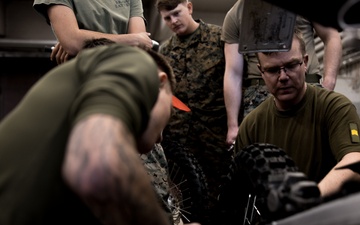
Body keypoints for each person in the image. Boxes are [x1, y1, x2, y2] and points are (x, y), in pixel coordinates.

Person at [0, 44, 185, 225]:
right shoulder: (133, 61)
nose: (161, 137)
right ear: (160, 83)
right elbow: (98, 170)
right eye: (169, 110)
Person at [235, 28, 360, 199]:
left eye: (291, 65)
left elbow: (354, 161)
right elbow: (239, 188)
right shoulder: (251, 125)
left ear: (305, 62)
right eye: (272, 70)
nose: (283, 76)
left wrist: (310, 196)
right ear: (261, 72)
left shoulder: (335, 107)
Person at [222, 0, 343, 146]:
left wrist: (328, 84)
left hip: (305, 86)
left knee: (315, 150)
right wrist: (233, 125)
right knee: (262, 158)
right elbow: (233, 72)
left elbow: (331, 36)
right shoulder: (237, 12)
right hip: (259, 95)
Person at [155, 0, 231, 222]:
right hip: (180, 140)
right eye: (167, 18)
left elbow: (236, 82)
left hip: (215, 137)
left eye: (177, 13)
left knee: (219, 202)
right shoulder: (165, 50)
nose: (173, 21)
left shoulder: (219, 38)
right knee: (183, 203)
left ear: (189, 7)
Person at [33, 0, 154, 64]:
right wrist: (131, 40)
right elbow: (72, 42)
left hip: (124, 74)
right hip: (85, 75)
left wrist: (84, 39)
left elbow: (140, 46)